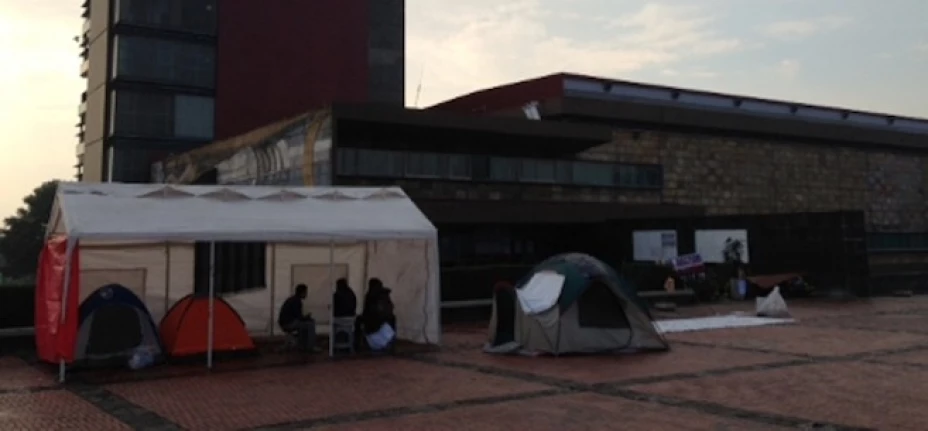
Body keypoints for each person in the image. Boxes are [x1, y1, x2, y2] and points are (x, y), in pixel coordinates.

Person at [358, 278, 397, 352]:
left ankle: (357, 346)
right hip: (386, 326)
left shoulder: (370, 296)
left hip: (373, 329)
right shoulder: (384, 295)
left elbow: (368, 312)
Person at [278, 284, 318, 352]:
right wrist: (307, 317)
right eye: (305, 292)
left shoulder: (292, 299)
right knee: (311, 324)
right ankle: (310, 347)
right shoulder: (297, 301)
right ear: (302, 292)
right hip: (288, 323)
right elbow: (299, 317)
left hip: (284, 322)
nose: (306, 294)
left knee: (305, 324)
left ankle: (302, 345)